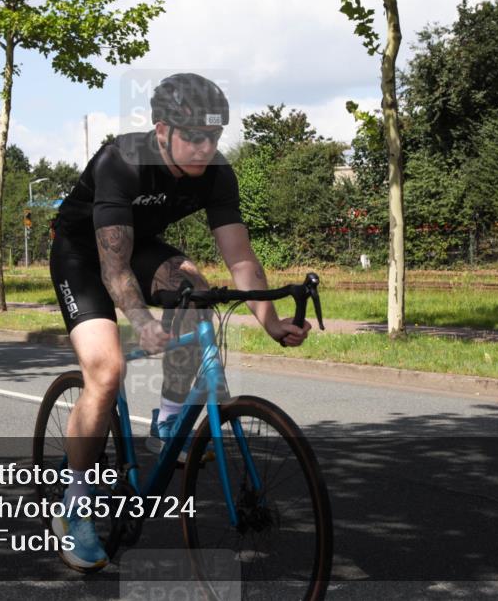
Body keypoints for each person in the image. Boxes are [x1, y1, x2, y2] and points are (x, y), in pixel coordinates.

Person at [48, 73, 312, 572]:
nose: (205, 148)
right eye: (194, 137)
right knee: (106, 372)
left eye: (214, 137)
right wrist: (142, 320)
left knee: (198, 289)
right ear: (162, 129)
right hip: (84, 255)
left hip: (140, 248)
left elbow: (241, 260)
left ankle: (169, 420)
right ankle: (75, 507)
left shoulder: (216, 173)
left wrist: (272, 322)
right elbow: (113, 267)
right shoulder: (122, 160)